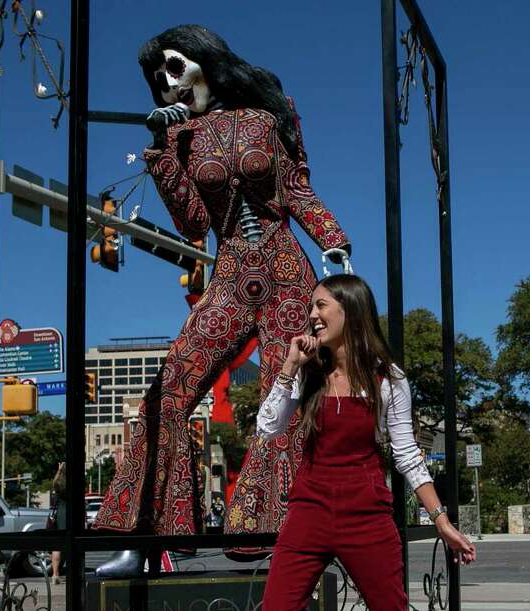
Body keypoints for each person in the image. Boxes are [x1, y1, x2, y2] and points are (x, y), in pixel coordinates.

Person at [92, 25, 352, 576]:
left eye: (173, 66)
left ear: (205, 63)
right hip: (231, 274)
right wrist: (163, 154)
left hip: (286, 270)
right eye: (157, 80)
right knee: (168, 393)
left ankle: (275, 532)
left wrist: (333, 241)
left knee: (286, 395)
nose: (168, 84)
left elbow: (298, 190)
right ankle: (152, 536)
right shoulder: (179, 138)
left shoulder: (265, 119)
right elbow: (191, 222)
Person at [253, 275, 481, 611]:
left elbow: (405, 454)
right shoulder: (307, 373)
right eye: (311, 306)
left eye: (321, 305)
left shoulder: (387, 379)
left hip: (367, 513)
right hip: (309, 510)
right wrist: (289, 367)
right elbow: (268, 430)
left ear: (350, 312)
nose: (312, 314)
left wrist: (441, 518)